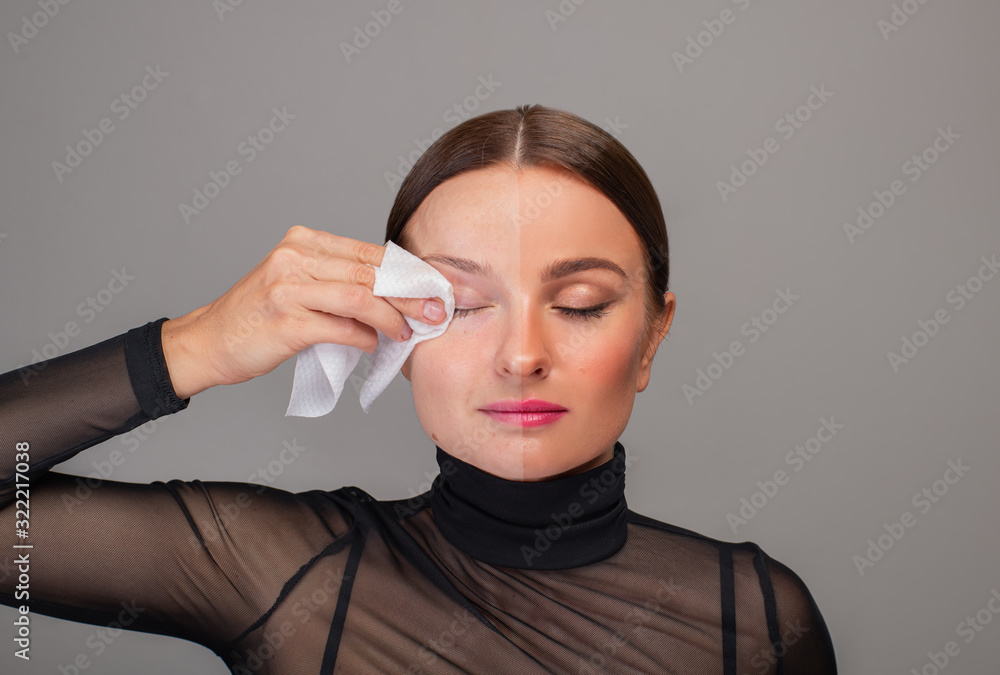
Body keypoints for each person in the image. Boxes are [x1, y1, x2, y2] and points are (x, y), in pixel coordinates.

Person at [0, 104, 837, 673]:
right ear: (398, 331)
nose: (520, 354)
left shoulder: (755, 617)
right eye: (463, 303)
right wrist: (197, 344)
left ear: (653, 332)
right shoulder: (288, 574)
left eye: (579, 303)